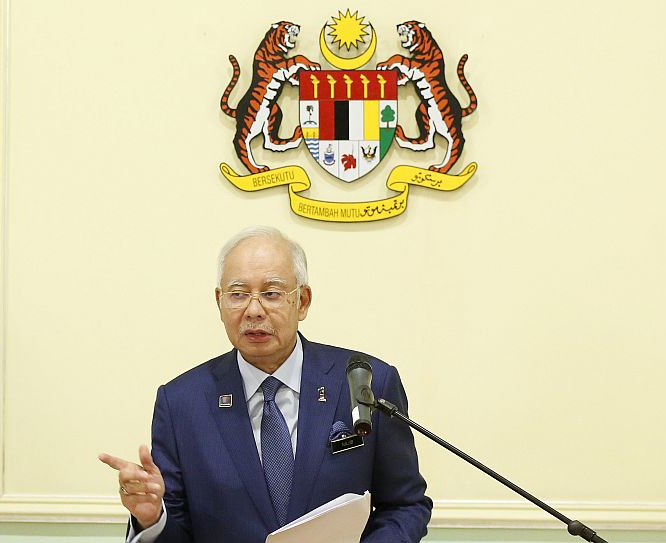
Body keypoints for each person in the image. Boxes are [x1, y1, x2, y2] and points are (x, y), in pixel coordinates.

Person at [99, 226, 432, 542]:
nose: (253, 310)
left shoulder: (365, 382)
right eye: (238, 294)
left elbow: (404, 505)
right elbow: (177, 532)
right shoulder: (182, 403)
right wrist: (151, 518)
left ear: (302, 301)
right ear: (219, 302)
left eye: (271, 293)